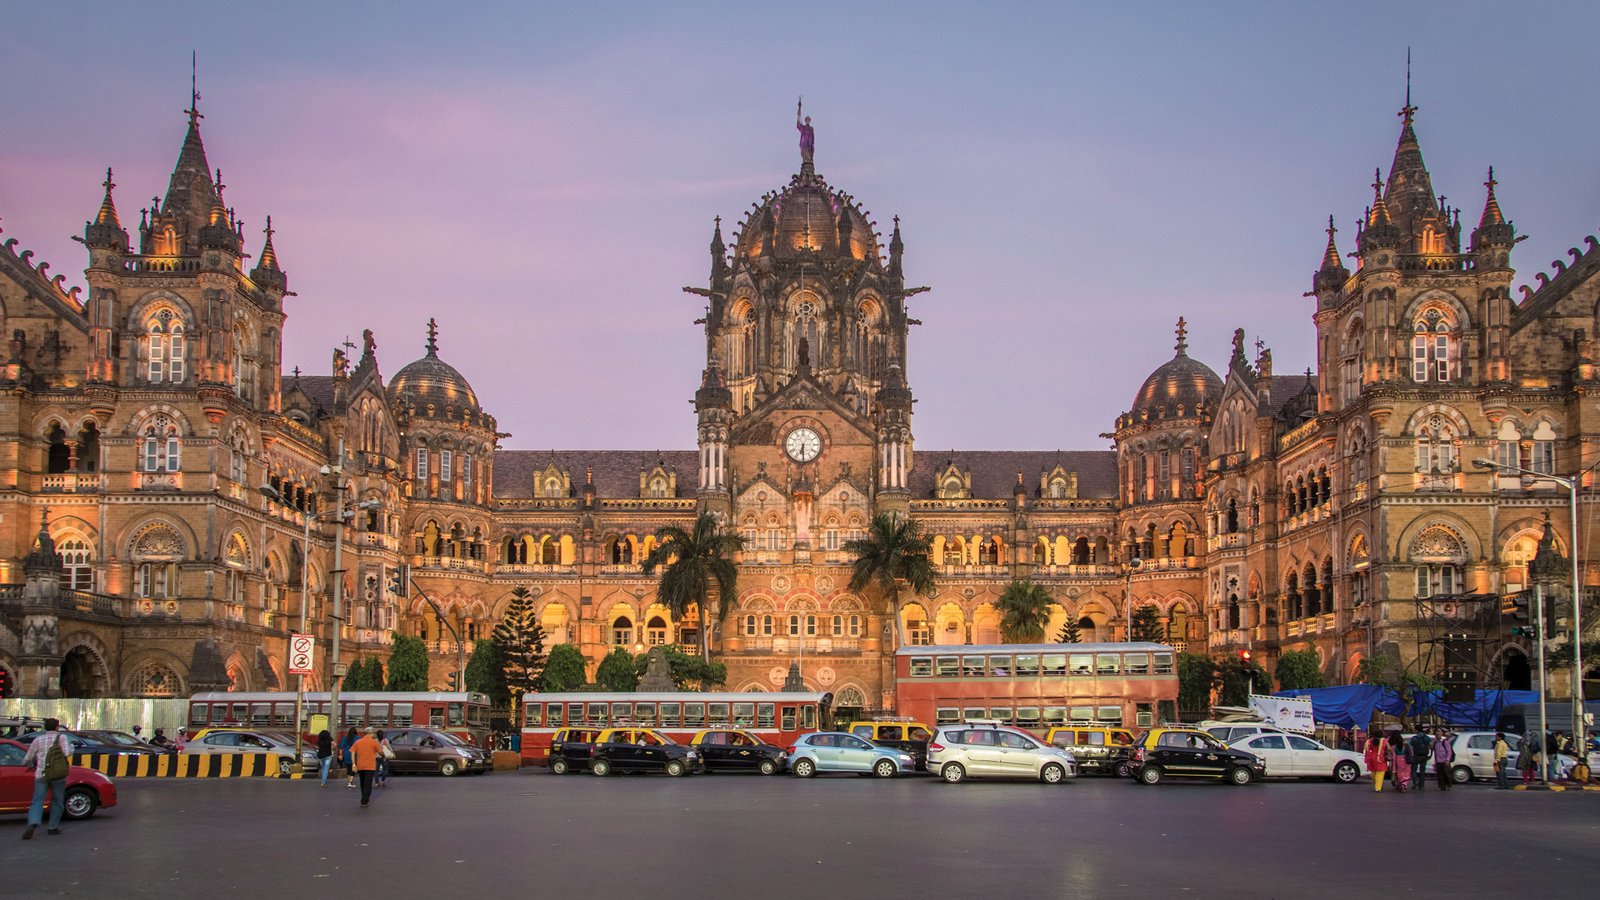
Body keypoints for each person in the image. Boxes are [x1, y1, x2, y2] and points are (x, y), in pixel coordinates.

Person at [21, 717, 71, 839]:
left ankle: (33, 822)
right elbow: (67, 753)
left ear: (45, 727)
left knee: (37, 800)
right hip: (58, 775)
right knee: (57, 801)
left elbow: (27, 759)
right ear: (57, 727)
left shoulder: (38, 739)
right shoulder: (62, 738)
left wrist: (32, 765)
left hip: (41, 774)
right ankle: (52, 827)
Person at [351, 727, 380, 807]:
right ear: (370, 733)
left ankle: (364, 797)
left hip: (360, 766)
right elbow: (380, 752)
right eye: (374, 733)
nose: (375, 735)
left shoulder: (358, 741)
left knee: (362, 783)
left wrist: (354, 764)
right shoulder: (374, 742)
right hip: (370, 766)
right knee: (368, 784)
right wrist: (384, 756)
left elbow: (352, 751)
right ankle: (364, 800)